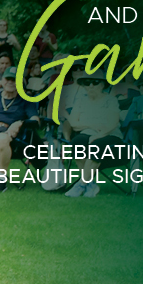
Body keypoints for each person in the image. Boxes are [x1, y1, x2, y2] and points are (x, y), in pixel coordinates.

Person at [60, 69, 125, 198]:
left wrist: (99, 134)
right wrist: (92, 125)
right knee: (77, 142)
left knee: (96, 146)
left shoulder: (110, 100)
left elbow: (113, 123)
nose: (91, 86)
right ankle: (90, 184)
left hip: (110, 134)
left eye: (95, 82)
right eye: (87, 83)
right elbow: (73, 123)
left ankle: (81, 184)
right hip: (88, 133)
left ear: (102, 85)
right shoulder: (80, 101)